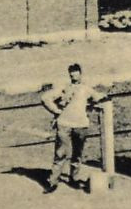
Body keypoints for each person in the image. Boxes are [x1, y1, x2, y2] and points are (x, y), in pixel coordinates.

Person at [41, 63, 107, 193]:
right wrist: (56, 111)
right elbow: (45, 98)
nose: (73, 74)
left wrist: (100, 99)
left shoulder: (86, 89)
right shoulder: (64, 88)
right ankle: (52, 182)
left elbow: (98, 97)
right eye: (71, 72)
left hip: (81, 125)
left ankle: (74, 178)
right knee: (60, 153)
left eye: (76, 72)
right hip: (64, 124)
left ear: (80, 74)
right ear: (69, 74)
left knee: (77, 154)